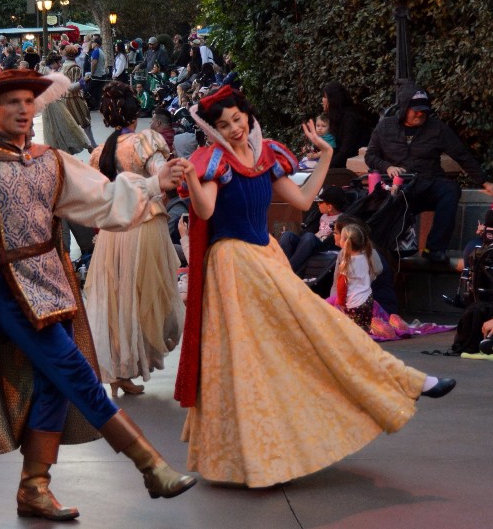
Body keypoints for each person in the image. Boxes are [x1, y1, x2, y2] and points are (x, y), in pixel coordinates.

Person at [0, 69, 197, 521]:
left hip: (53, 282)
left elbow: (98, 199)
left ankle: (34, 488)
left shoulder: (49, 160)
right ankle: (151, 465)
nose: (23, 109)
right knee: (74, 371)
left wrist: (156, 185)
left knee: (53, 385)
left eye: (28, 101)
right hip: (6, 290)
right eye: (12, 103)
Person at [171, 85, 456, 489]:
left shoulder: (266, 153)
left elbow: (304, 201)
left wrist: (325, 154)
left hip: (263, 258)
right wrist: (193, 181)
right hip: (233, 266)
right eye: (223, 124)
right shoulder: (214, 160)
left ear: (247, 115)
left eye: (237, 119)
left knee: (314, 332)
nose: (234, 128)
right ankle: (258, 457)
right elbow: (205, 210)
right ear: (213, 130)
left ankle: (404, 380)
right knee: (251, 359)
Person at [84, 81, 185, 397]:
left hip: (113, 232)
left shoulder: (102, 152)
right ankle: (128, 366)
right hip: (144, 225)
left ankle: (118, 370)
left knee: (117, 300)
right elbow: (161, 174)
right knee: (145, 297)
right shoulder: (144, 141)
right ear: (134, 115)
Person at [364, 84, 493, 262]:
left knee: (450, 190)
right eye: (415, 110)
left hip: (429, 182)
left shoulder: (437, 128)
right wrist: (387, 167)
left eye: (424, 110)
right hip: (398, 187)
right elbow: (370, 156)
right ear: (404, 108)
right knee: (386, 203)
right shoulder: (385, 127)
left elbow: (462, 155)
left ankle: (434, 250)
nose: (420, 113)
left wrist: (484, 182)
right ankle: (385, 251)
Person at [278, 184, 347, 274]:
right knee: (287, 236)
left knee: (309, 237)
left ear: (329, 207)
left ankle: (288, 271)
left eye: (320, 202)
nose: (318, 204)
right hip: (312, 241)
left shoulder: (341, 218)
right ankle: (283, 265)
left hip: (324, 245)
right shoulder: (321, 216)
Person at [332, 215, 375, 331]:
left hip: (354, 303)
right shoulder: (365, 257)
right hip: (368, 299)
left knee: (352, 329)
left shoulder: (346, 262)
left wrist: (340, 302)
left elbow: (342, 285)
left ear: (345, 242)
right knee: (364, 326)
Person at [321, 81, 375, 169]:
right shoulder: (336, 118)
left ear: (333, 100)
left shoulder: (350, 119)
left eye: (324, 97)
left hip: (353, 168)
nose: (322, 100)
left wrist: (324, 167)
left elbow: (345, 151)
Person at [59, 43, 97, 150]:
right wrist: (84, 80)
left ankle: (70, 146)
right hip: (74, 99)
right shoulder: (74, 68)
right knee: (85, 122)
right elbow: (72, 87)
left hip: (64, 98)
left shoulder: (63, 67)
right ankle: (92, 145)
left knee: (70, 124)